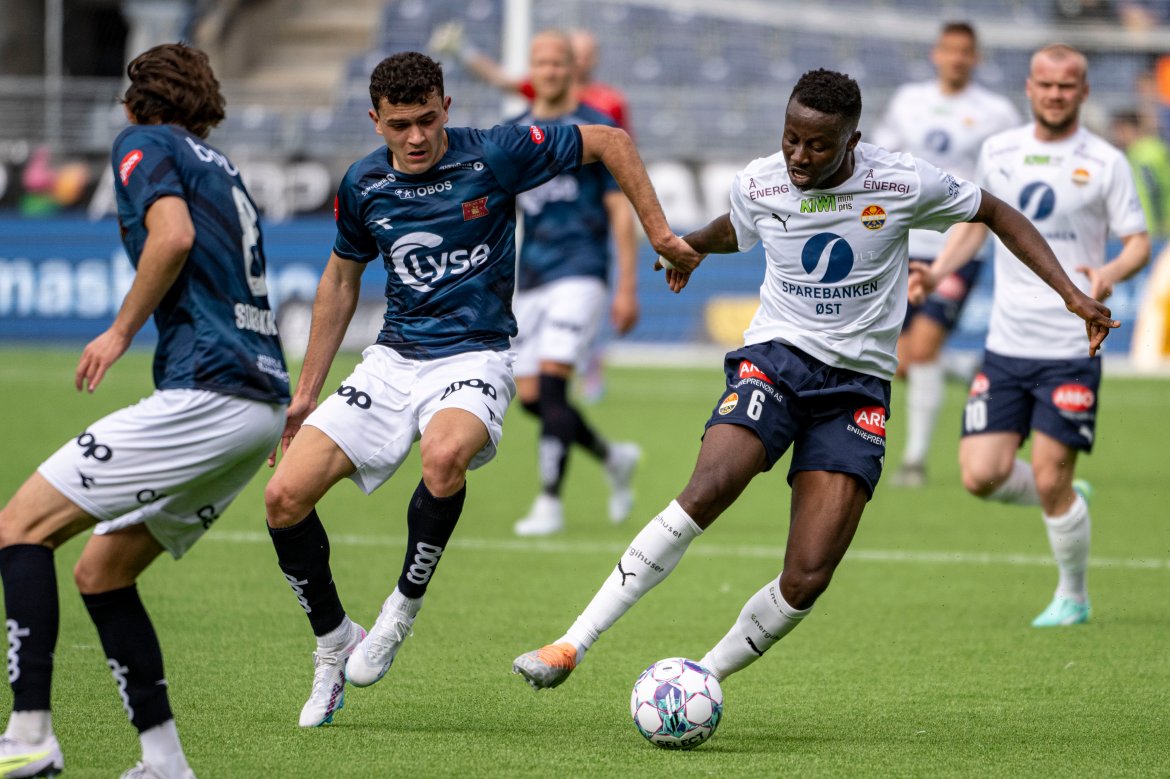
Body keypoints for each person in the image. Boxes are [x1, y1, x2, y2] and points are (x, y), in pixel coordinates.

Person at [511, 68, 1116, 691]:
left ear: (853, 141)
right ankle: (571, 643)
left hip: (857, 387)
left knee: (806, 577)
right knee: (709, 486)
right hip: (777, 360)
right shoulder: (762, 180)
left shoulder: (901, 181)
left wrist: (1071, 294)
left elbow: (996, 212)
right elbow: (738, 226)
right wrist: (690, 246)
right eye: (791, 138)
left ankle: (701, 678)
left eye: (818, 145)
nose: (799, 156)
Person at [261, 51, 698, 728]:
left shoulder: (495, 153)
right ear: (374, 120)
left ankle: (401, 608)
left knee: (444, 455)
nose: (415, 137)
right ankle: (333, 641)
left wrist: (661, 235)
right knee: (283, 498)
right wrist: (305, 393)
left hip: (475, 354)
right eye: (399, 124)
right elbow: (341, 278)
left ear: (447, 108)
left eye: (427, 120)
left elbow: (611, 141)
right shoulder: (363, 183)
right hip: (391, 360)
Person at [0, 43, 289, 779]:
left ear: (134, 106)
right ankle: (163, 762)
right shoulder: (222, 168)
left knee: (19, 527)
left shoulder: (144, 143)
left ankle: (28, 734)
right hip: (256, 399)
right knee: (103, 571)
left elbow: (173, 235)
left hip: (210, 390)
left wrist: (120, 330)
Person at [915, 44, 1150, 627]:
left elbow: (1138, 242)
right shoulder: (1000, 151)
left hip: (1071, 346)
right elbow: (977, 227)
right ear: (1029, 87)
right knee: (980, 475)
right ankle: (1065, 495)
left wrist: (1110, 272)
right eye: (1046, 84)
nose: (1055, 94)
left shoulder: (1105, 162)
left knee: (1049, 475)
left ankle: (1073, 595)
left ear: (1084, 92)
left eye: (1067, 86)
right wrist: (939, 272)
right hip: (1006, 344)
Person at [871, 21, 1022, 487]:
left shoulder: (997, 112)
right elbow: (878, 159)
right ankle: (969, 369)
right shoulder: (908, 101)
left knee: (922, 349)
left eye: (964, 51)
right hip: (902, 244)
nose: (956, 58)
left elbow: (1010, 174)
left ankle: (914, 461)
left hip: (958, 247)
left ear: (976, 57)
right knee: (901, 360)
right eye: (949, 49)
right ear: (935, 54)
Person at [506, 30, 641, 537]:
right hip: (532, 275)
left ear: (573, 69)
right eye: (541, 62)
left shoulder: (597, 129)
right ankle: (612, 458)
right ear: (531, 70)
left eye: (559, 62)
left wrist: (626, 286)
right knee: (533, 397)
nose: (550, 71)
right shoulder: (514, 133)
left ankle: (549, 502)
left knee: (555, 383)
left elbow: (619, 210)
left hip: (581, 270)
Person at [430, 24, 631, 133]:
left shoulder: (611, 101)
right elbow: (502, 79)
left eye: (587, 54)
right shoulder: (548, 87)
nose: (581, 60)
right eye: (577, 53)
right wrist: (464, 51)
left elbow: (624, 150)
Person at [1109, 109, 1170, 239]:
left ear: (1134, 129)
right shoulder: (1137, 152)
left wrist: (1160, 226)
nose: (1117, 136)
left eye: (1121, 130)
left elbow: (1154, 191)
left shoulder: (1145, 154)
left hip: (1155, 230)